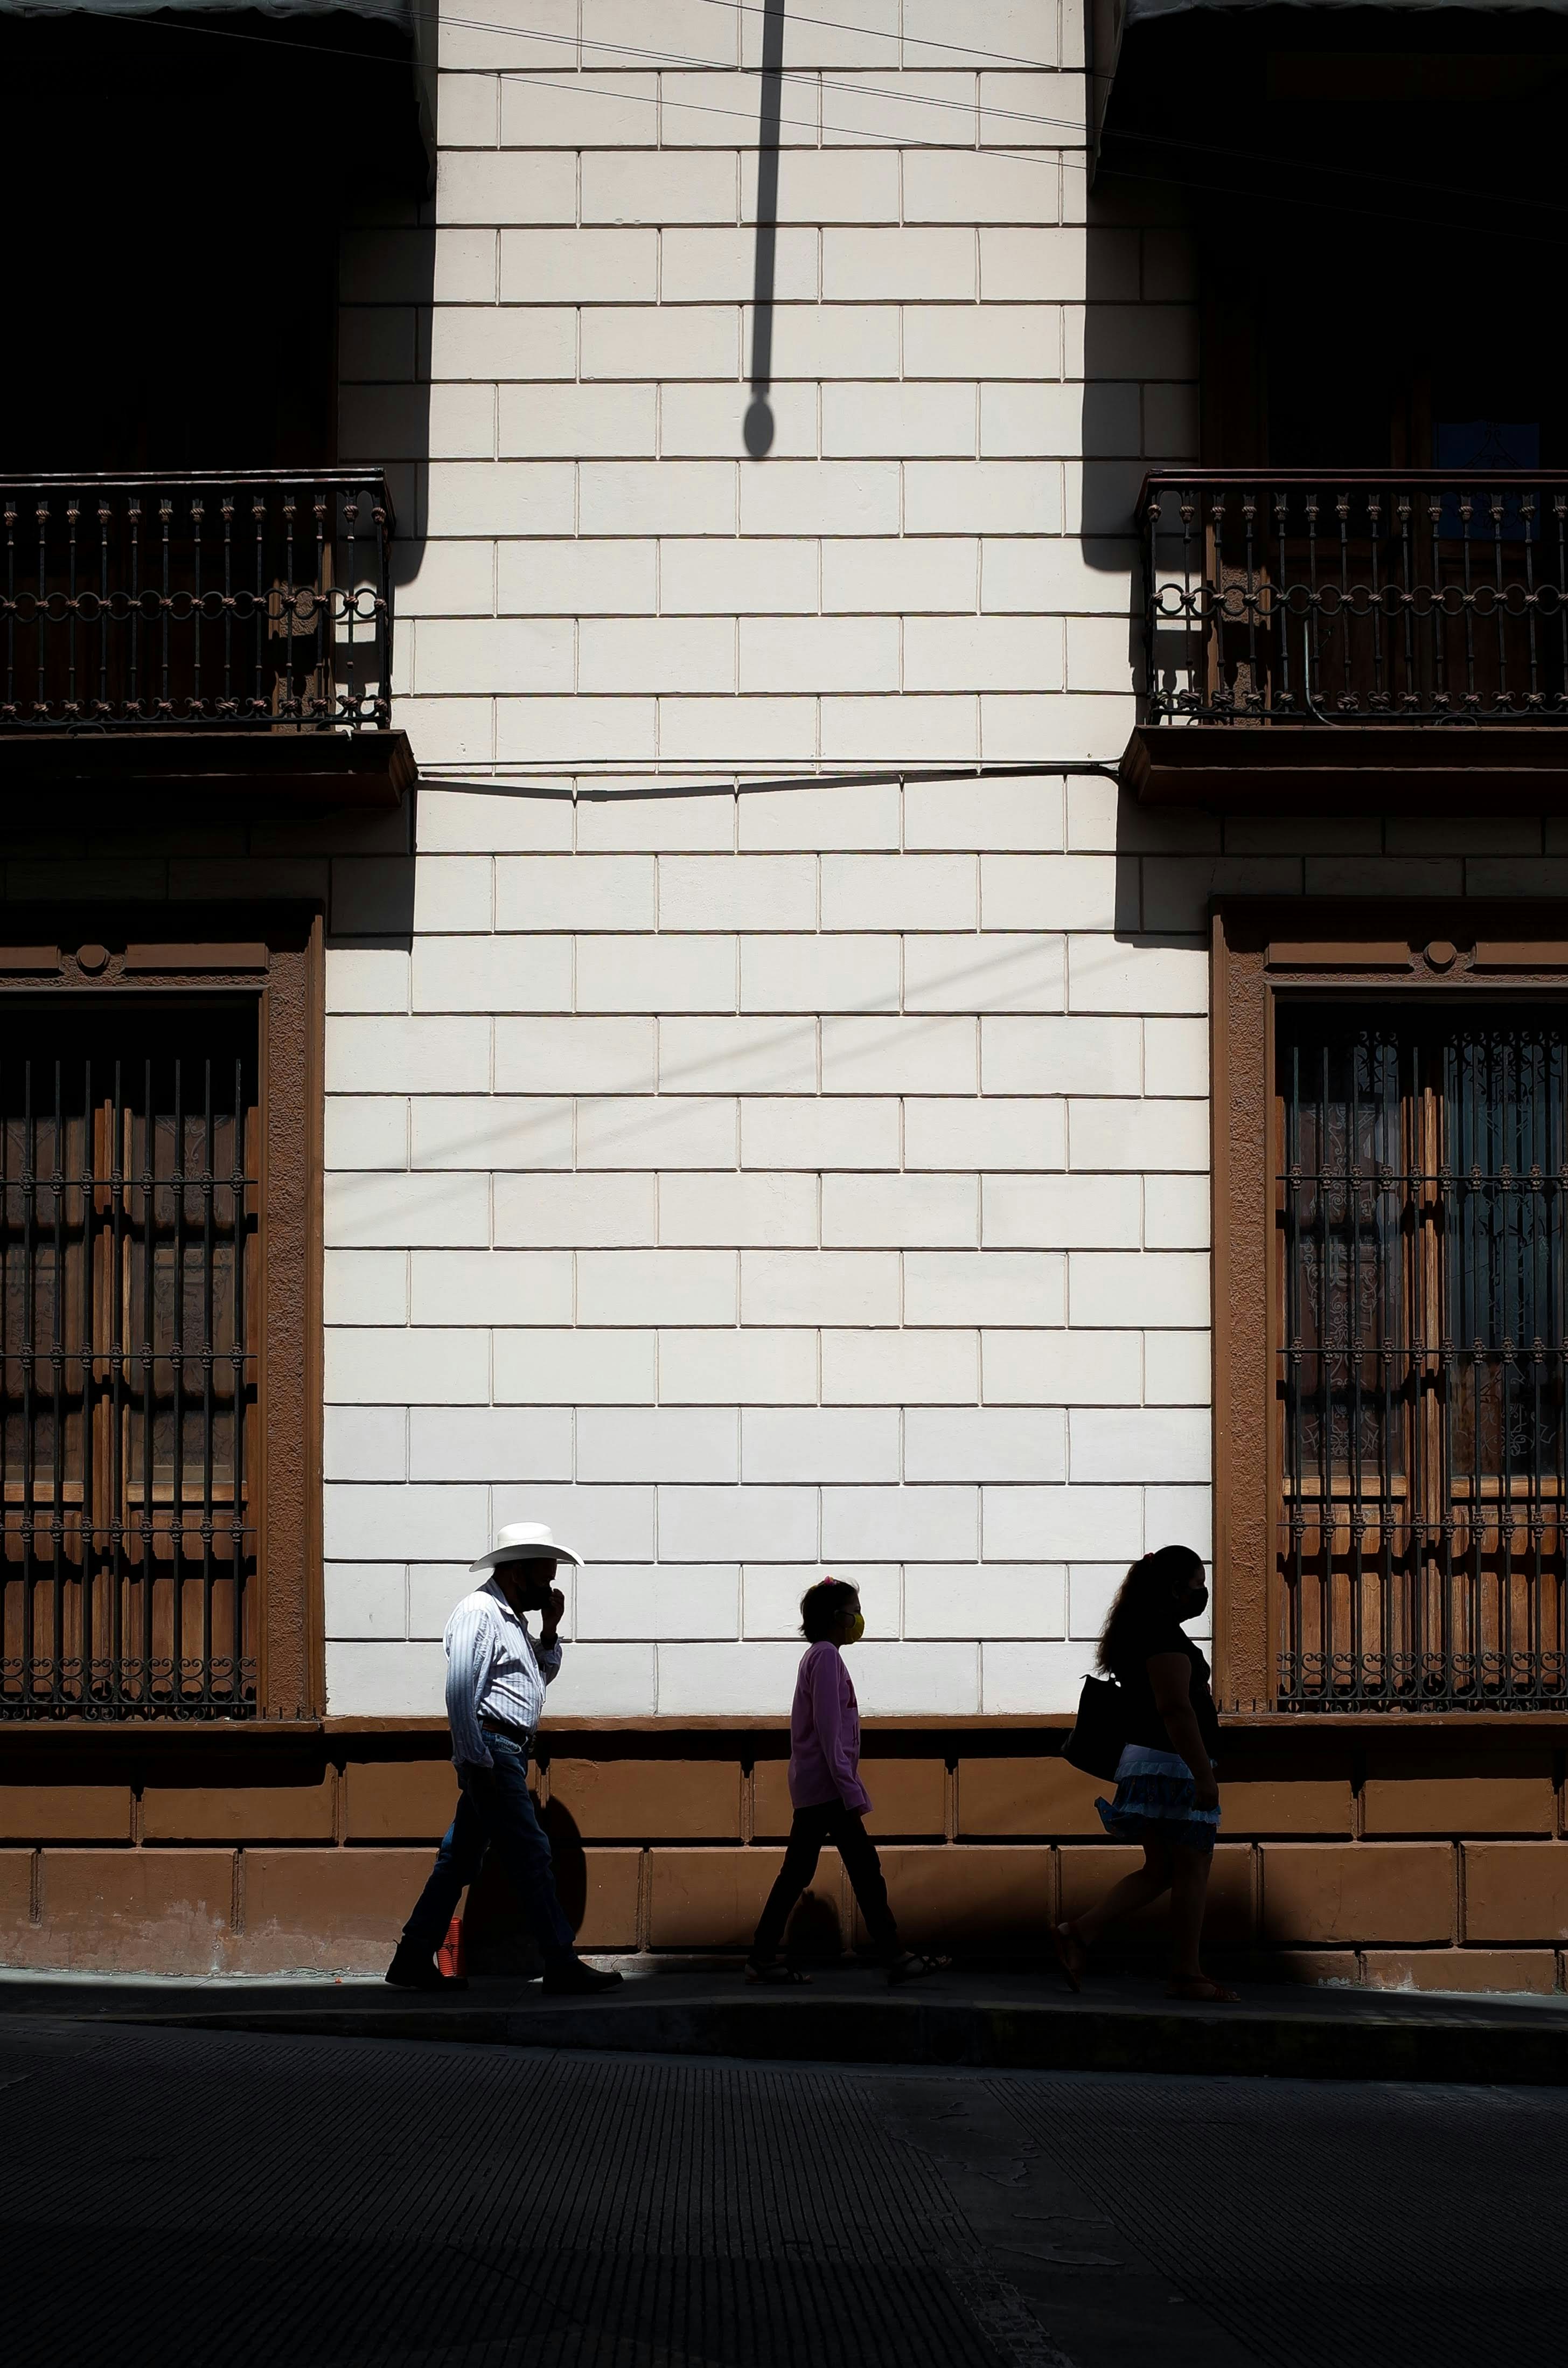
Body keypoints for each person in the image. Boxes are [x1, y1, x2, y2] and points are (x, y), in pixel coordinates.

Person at [387, 1520, 623, 1996]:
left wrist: (550, 1631)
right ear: (517, 1572)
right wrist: (475, 1763)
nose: (551, 1588)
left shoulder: (512, 1619)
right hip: (492, 1750)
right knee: (532, 1854)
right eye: (545, 1576)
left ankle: (412, 1956)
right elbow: (460, 1692)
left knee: (458, 1859)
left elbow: (534, 1680)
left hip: (503, 1750)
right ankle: (560, 1962)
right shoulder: (480, 1612)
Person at [1052, 1544, 1238, 2004]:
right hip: (1172, 1766)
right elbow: (1175, 1708)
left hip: (1149, 1761)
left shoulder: (1141, 1629)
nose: (1202, 1593)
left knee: (1161, 1868)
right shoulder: (1164, 1637)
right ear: (1174, 1588)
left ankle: (1078, 1933)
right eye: (1197, 1584)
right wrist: (1203, 1775)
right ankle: (1186, 1973)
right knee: (1191, 1868)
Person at [746, 1576, 946, 1987]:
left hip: (820, 1786)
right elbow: (829, 1729)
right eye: (854, 1611)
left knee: (806, 1871)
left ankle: (762, 1957)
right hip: (828, 1788)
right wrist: (848, 1786)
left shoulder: (821, 1656)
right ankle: (894, 1956)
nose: (859, 1619)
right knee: (863, 1870)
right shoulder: (825, 1658)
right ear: (835, 1617)